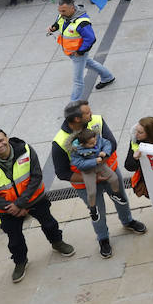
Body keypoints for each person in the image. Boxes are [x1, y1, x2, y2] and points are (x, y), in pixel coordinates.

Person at [0, 128, 75, 283]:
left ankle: (57, 243)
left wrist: (20, 204)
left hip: (35, 200)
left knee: (49, 224)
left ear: (7, 138)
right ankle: (20, 261)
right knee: (14, 240)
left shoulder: (26, 151)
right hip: (8, 210)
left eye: (1, 140)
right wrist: (11, 207)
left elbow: (36, 177)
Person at [50, 100, 145, 258]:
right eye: (87, 113)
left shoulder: (97, 121)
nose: (92, 114)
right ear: (76, 120)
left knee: (121, 199)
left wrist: (103, 162)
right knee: (97, 212)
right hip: (85, 184)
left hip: (109, 173)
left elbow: (112, 143)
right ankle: (103, 238)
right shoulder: (60, 142)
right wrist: (90, 177)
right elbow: (62, 173)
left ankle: (128, 221)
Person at [49, 0, 113, 100]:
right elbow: (59, 23)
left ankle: (74, 105)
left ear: (72, 8)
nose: (61, 13)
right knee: (89, 63)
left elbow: (91, 39)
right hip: (71, 52)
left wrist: (81, 51)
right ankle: (107, 77)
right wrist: (53, 27)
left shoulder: (82, 23)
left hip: (77, 53)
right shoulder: (63, 15)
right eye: (59, 11)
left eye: (63, 11)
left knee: (77, 81)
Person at [69, 126, 129, 221]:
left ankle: (116, 194)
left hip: (100, 165)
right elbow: (79, 164)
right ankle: (93, 209)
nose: (94, 144)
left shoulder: (97, 139)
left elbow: (107, 143)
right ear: (82, 144)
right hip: (88, 170)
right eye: (91, 144)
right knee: (91, 191)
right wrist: (94, 161)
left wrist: (105, 152)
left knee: (114, 178)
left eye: (95, 141)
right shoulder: (76, 151)